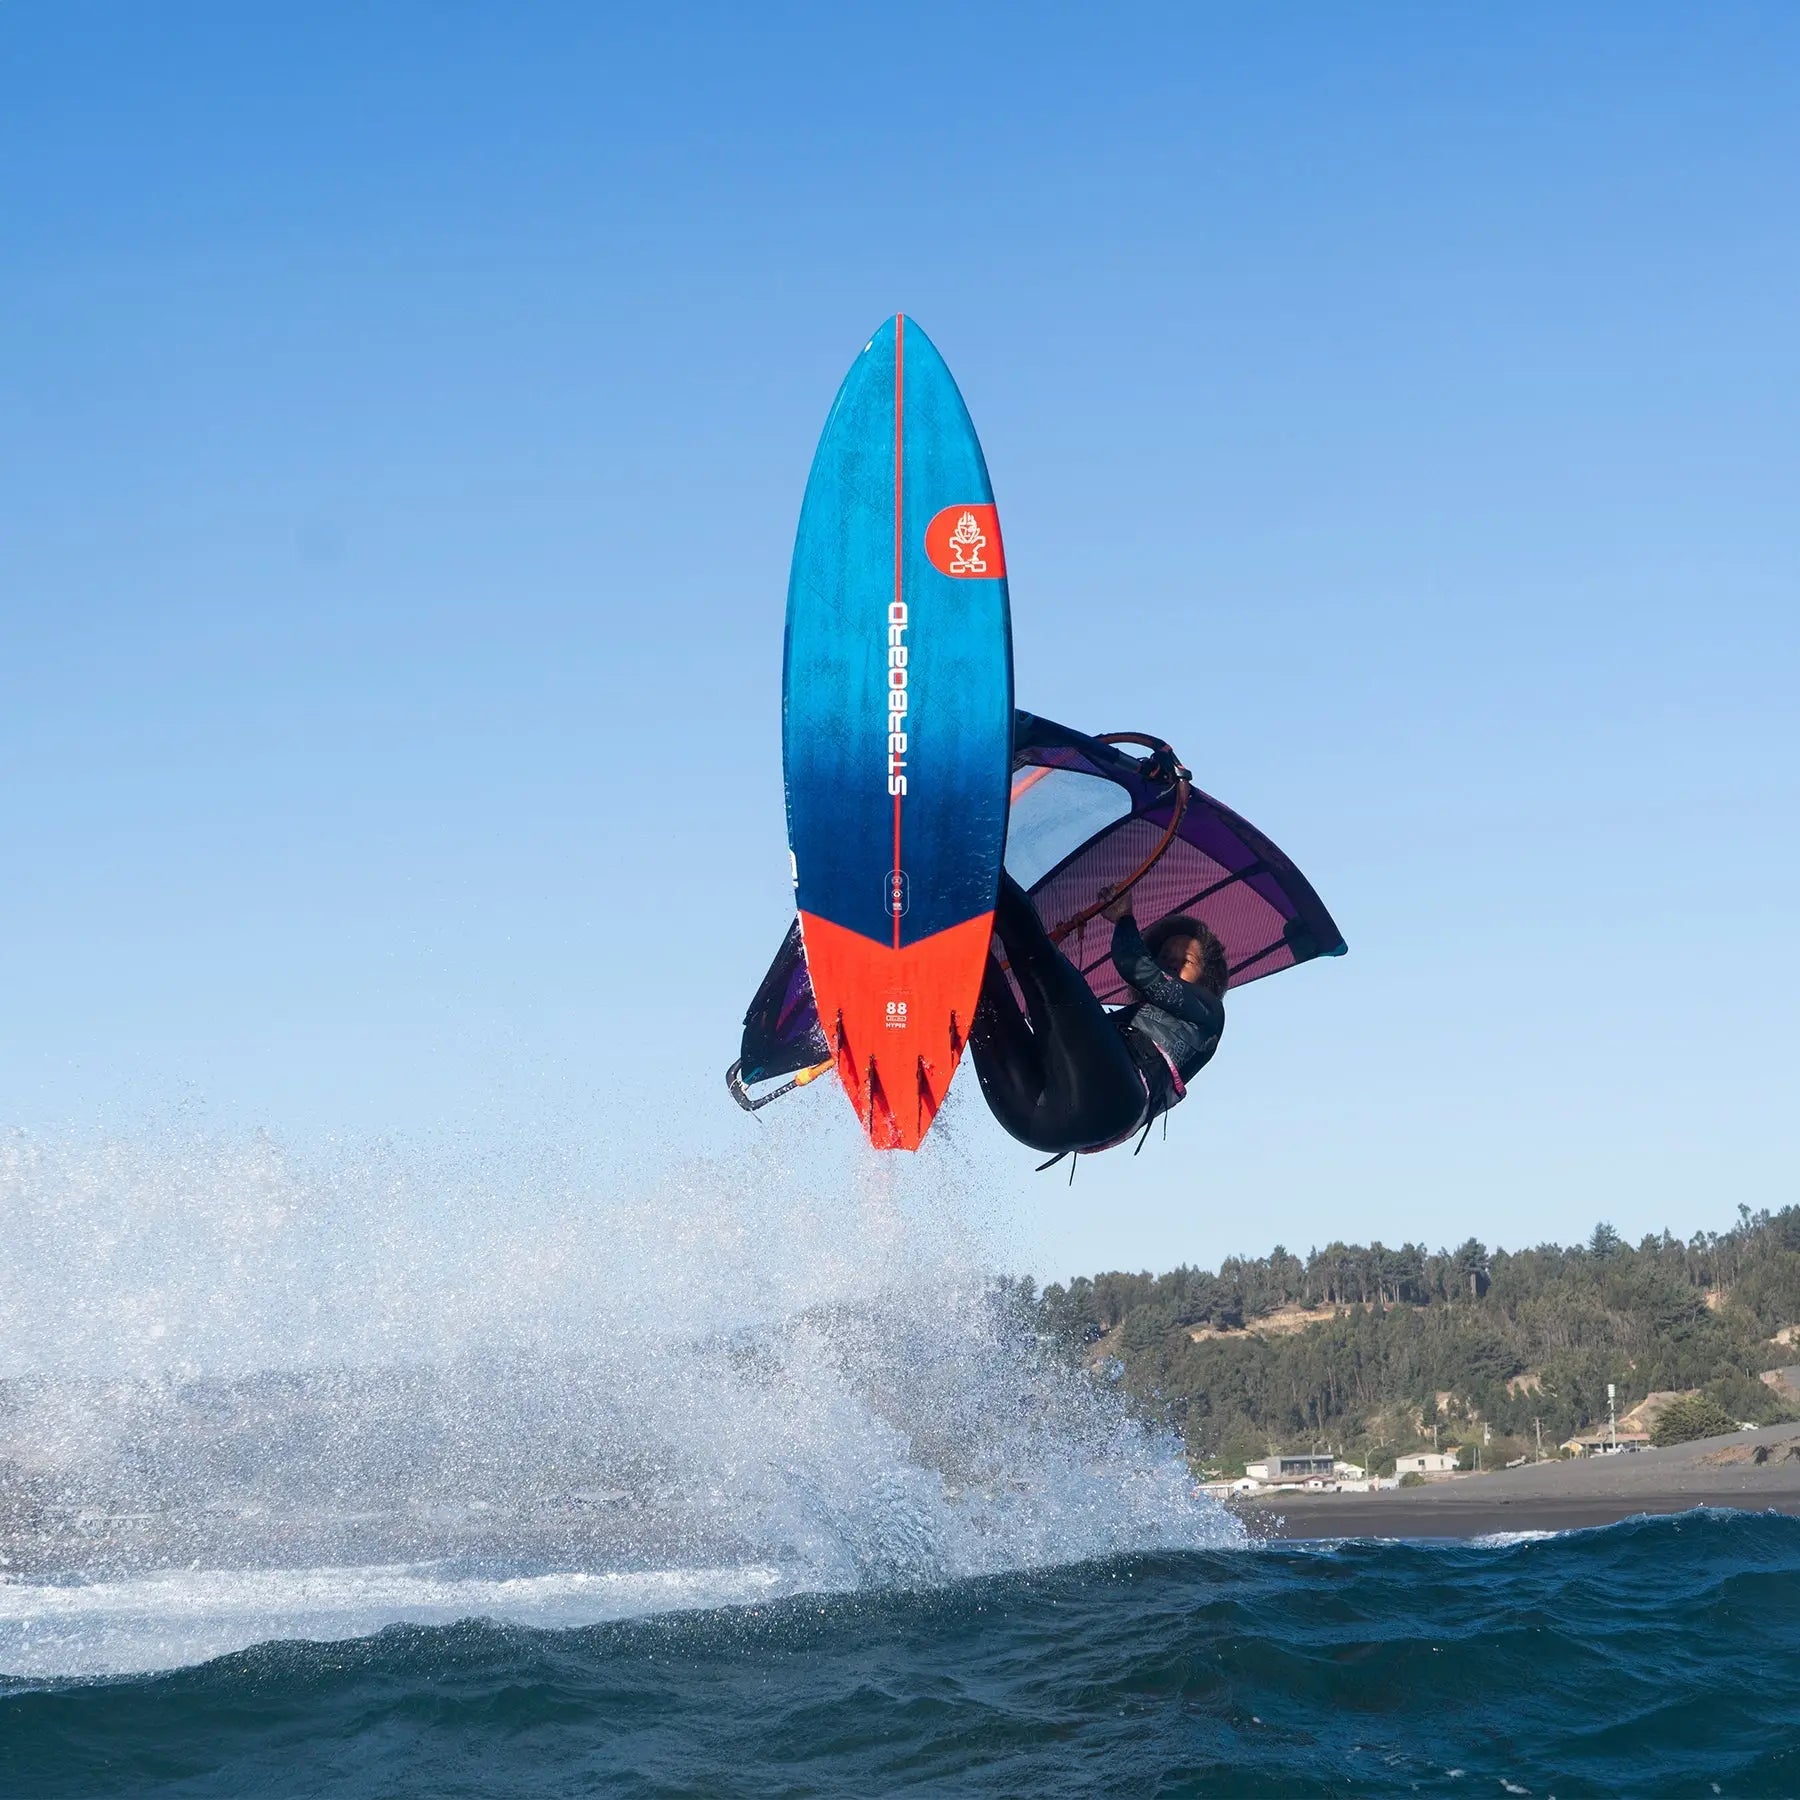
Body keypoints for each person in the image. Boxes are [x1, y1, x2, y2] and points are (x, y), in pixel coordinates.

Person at [968, 873, 1227, 1159]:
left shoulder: (1209, 1013)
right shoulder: (1126, 1026)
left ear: (1207, 976)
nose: (1172, 967)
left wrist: (1124, 918)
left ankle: (977, 865)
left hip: (1098, 1106)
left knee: (1033, 951)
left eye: (1186, 961)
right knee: (978, 991)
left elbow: (1132, 963)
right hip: (1042, 1128)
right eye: (1165, 958)